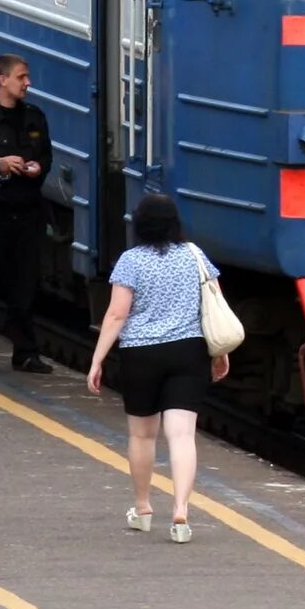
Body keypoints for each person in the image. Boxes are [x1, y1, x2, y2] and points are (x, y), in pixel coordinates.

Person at [85, 193, 229, 544]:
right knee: (181, 435)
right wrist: (220, 352)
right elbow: (215, 306)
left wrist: (98, 358)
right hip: (188, 352)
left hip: (141, 354)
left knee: (142, 435)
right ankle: (181, 512)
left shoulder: (130, 261)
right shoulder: (195, 257)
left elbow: (117, 314)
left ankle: (144, 508)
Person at [0, 54, 56, 373]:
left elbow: (46, 155)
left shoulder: (35, 117)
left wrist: (38, 168)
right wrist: (0, 167)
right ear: (2, 80)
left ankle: (26, 351)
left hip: (27, 212)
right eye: (22, 77)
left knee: (25, 285)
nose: (28, 83)